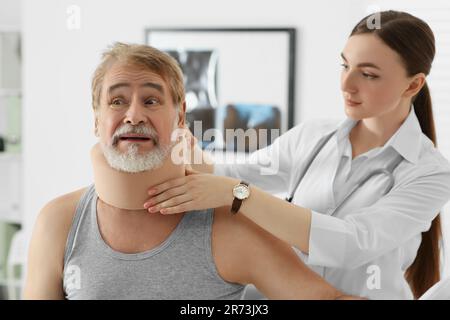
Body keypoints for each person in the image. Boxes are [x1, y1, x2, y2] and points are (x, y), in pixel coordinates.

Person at [143, 11, 450, 299]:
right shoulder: (313, 137)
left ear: (413, 84)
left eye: (368, 75)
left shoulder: (430, 171)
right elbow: (231, 174)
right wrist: (178, 137)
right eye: (345, 66)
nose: (347, 84)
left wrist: (238, 195)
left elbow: (353, 243)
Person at [23, 42, 356, 300]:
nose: (134, 115)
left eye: (151, 101)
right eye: (117, 101)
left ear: (180, 116)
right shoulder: (59, 222)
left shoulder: (230, 223)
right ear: (96, 119)